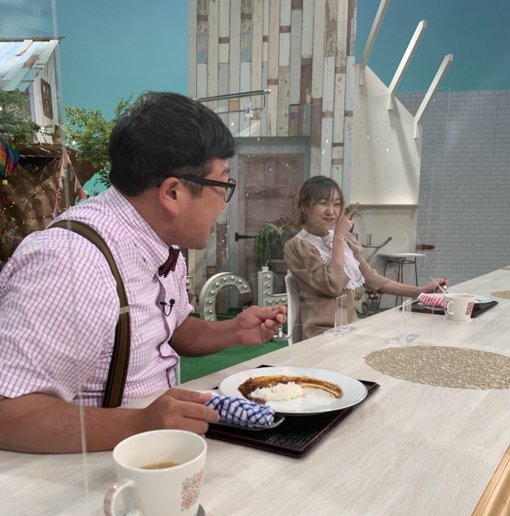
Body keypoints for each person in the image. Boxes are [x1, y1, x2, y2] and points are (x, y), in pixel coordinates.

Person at [0, 92, 285, 453]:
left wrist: (234, 330)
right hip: (91, 474)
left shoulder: (159, 243)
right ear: (173, 192)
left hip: (153, 458)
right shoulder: (72, 263)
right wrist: (138, 425)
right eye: (223, 186)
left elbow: (171, 330)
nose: (224, 205)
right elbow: (8, 411)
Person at [283, 175, 447, 339]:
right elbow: (333, 286)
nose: (331, 211)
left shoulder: (344, 240)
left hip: (351, 330)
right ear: (305, 207)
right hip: (321, 336)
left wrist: (421, 292)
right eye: (323, 203)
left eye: (337, 204)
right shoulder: (297, 246)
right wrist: (338, 238)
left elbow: (372, 279)